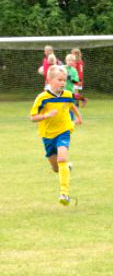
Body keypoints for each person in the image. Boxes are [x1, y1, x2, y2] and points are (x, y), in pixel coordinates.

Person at [29, 65, 82, 206]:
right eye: (59, 80)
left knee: (62, 158)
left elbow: (71, 104)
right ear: (49, 80)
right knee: (56, 168)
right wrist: (46, 115)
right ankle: (66, 168)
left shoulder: (67, 94)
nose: (63, 83)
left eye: (64, 80)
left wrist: (78, 117)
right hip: (47, 135)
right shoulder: (42, 98)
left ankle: (64, 194)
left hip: (64, 130)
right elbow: (32, 117)